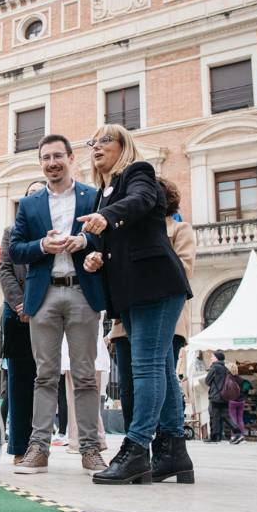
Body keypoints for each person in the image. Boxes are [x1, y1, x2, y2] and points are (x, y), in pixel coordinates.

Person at [79, 123, 194, 485]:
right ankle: (173, 451)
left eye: (105, 140)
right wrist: (94, 257)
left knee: (146, 368)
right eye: (92, 141)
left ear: (124, 146)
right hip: (133, 289)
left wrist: (107, 217)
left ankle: (136, 448)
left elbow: (142, 202)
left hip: (155, 283)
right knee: (158, 368)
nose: (96, 146)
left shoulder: (138, 174)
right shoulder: (105, 193)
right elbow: (112, 242)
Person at [10, 134, 107, 475]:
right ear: (41, 163)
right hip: (44, 294)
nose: (51, 163)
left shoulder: (92, 196)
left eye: (57, 156)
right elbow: (15, 249)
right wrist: (41, 246)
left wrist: (84, 241)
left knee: (84, 376)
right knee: (44, 375)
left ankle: (91, 449)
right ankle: (38, 448)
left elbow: (105, 238)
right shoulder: (31, 204)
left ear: (70, 158)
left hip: (83, 291)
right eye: (45, 158)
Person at [107, 176, 196, 432]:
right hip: (126, 319)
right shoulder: (127, 231)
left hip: (165, 317)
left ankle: (169, 440)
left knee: (163, 377)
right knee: (128, 385)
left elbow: (184, 271)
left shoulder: (180, 229)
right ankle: (133, 442)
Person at [0, 180, 46, 463]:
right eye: (30, 195)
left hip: (48, 313)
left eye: (40, 194)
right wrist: (21, 304)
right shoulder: (10, 233)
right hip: (16, 313)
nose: (35, 199)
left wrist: (38, 306)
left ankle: (40, 447)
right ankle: (18, 448)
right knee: (18, 381)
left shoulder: (55, 235)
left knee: (45, 379)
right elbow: (4, 269)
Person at [204, 350, 244, 444]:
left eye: (212, 357)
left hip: (215, 396)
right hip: (225, 395)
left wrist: (210, 368)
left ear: (217, 358)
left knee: (214, 416)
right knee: (226, 416)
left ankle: (215, 437)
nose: (211, 358)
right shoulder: (225, 367)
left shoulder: (214, 367)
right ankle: (238, 433)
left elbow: (207, 381)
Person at [225, 362, 247, 436]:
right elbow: (246, 389)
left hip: (232, 401)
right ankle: (242, 435)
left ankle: (235, 435)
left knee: (233, 419)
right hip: (241, 401)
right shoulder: (242, 379)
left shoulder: (228, 379)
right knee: (240, 418)